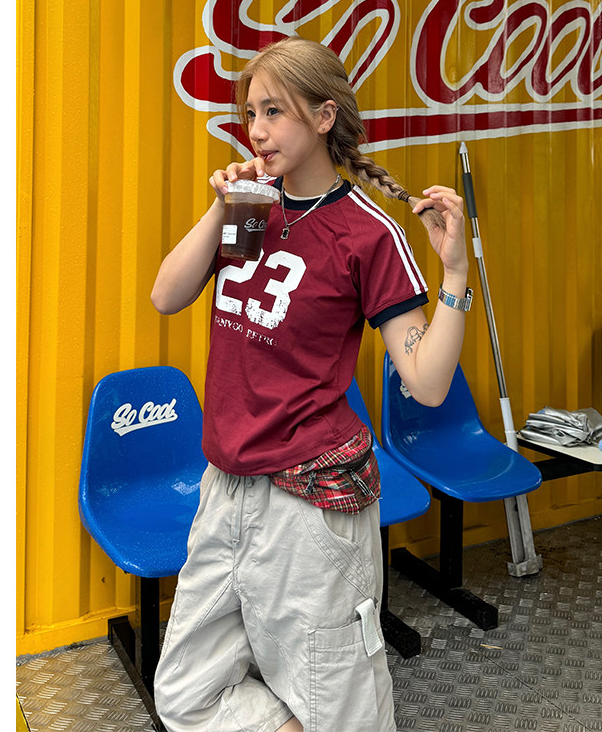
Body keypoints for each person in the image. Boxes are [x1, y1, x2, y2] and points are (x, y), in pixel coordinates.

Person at [150, 36, 470, 732]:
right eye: (250, 113)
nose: (256, 131)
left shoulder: (367, 234)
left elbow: (428, 383)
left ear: (325, 117)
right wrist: (225, 206)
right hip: (225, 490)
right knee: (184, 696)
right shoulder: (251, 211)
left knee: (340, 712)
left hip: (309, 507)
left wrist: (454, 273)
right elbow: (167, 295)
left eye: (274, 111)